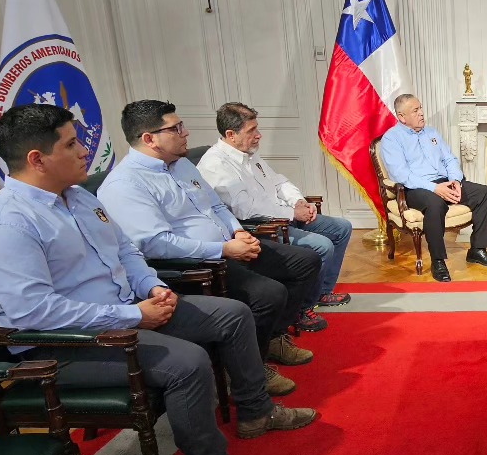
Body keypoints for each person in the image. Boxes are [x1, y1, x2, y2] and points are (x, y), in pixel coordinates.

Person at [0, 104, 318, 455]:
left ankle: (256, 412)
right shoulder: (3, 226)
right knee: (186, 362)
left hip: (126, 309)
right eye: (72, 144)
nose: (84, 153)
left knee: (232, 314)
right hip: (65, 346)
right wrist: (134, 316)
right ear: (37, 160)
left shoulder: (77, 198)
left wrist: (154, 286)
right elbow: (34, 314)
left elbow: (126, 250)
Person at [98, 100, 322, 398]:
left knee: (306, 261)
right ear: (149, 139)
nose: (186, 132)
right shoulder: (125, 184)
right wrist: (224, 249)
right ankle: (246, 368)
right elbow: (155, 244)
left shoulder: (182, 163)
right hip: (196, 265)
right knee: (269, 294)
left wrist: (238, 230)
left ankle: (270, 339)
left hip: (230, 245)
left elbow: (216, 205)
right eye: (176, 128)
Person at [198, 102, 353, 308]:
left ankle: (321, 292)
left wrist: (298, 201)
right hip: (261, 228)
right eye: (251, 130)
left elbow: (279, 182)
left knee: (341, 228)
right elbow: (246, 209)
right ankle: (303, 308)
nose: (259, 134)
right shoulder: (215, 164)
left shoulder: (249, 154)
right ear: (231, 134)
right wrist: (292, 213)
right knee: (322, 245)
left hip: (286, 217)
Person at [381, 94, 487, 282]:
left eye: (420, 108)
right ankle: (438, 261)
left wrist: (455, 181)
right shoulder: (391, 139)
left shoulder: (432, 133)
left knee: (485, 193)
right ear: (401, 117)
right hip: (415, 188)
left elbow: (449, 159)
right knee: (436, 204)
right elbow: (401, 175)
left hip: (444, 181)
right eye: (415, 110)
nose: (421, 113)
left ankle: (477, 249)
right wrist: (434, 188)